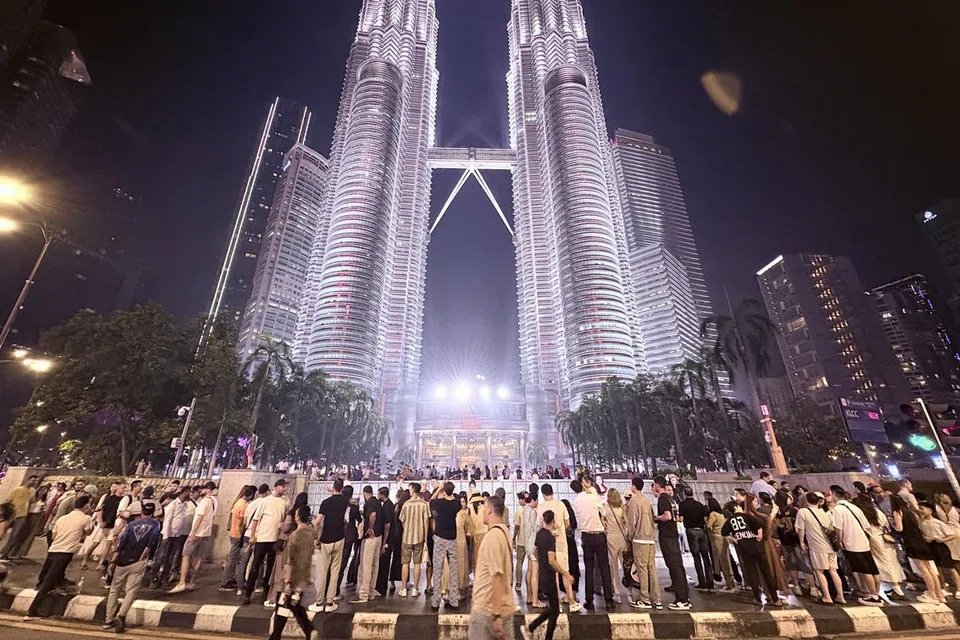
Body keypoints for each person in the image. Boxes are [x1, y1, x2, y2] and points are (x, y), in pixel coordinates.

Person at [25, 495, 94, 620]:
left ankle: (48, 599)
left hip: (53, 550)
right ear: (86, 506)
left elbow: (54, 534)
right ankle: (32, 611)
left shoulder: (62, 518)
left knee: (46, 579)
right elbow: (88, 532)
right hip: (65, 553)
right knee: (48, 582)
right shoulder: (86, 518)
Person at [103, 503, 161, 633]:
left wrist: (112, 562)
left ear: (141, 513)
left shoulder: (131, 525)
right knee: (131, 591)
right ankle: (121, 615)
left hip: (122, 560)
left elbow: (121, 543)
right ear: (153, 513)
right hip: (138, 561)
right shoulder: (155, 525)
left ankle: (108, 620)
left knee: (114, 590)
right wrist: (144, 558)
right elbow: (151, 544)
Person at [521, 510, 573, 640]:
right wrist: (566, 574)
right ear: (554, 521)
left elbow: (534, 551)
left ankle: (533, 629)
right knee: (554, 610)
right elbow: (552, 560)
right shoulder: (550, 537)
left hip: (543, 575)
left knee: (553, 610)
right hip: (549, 576)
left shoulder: (539, 534)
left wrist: (540, 563)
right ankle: (532, 628)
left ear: (544, 520)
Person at [469, 496, 514, 640]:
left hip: (487, 611)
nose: (482, 511)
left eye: (484, 507)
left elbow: (497, 576)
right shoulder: (504, 533)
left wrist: (496, 615)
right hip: (503, 607)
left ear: (489, 509)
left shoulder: (492, 537)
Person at [721, 500, 781, 607]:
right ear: (736, 507)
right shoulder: (746, 516)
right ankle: (775, 598)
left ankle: (757, 598)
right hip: (757, 546)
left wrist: (735, 539)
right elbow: (760, 524)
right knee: (766, 572)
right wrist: (759, 535)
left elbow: (724, 533)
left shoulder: (730, 520)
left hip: (744, 548)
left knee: (752, 573)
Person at [269, 505, 315, 640]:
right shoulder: (311, 533)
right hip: (303, 577)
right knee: (288, 606)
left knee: (286, 605)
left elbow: (289, 560)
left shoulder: (294, 535)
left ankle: (309, 630)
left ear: (298, 517)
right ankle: (277, 636)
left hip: (292, 578)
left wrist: (287, 582)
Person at [830, 486, 882, 606]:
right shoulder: (854, 507)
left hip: (852, 543)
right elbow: (866, 525)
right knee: (873, 569)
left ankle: (873, 596)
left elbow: (839, 528)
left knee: (865, 570)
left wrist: (840, 540)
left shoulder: (838, 509)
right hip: (863, 541)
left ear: (833, 494)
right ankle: (876, 593)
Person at [852, 492, 905, 599]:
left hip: (874, 540)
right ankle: (896, 587)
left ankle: (893, 588)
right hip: (885, 538)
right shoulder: (877, 512)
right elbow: (886, 524)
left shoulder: (863, 514)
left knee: (881, 563)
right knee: (892, 562)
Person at [241, 479, 288, 604]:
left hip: (276, 540)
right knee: (256, 566)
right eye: (283, 487)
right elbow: (256, 519)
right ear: (276, 487)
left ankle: (267, 593)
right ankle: (247, 593)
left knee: (271, 569)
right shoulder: (265, 501)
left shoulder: (285, 502)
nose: (285, 489)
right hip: (263, 538)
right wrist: (253, 535)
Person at [796, 492, 845, 605]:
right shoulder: (823, 512)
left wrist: (802, 542)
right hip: (830, 546)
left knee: (819, 571)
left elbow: (800, 529)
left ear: (807, 501)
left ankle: (827, 596)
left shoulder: (803, 512)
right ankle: (840, 596)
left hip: (817, 546)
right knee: (833, 571)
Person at [573, 475, 614, 610]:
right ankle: (609, 600)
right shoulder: (594, 496)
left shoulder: (577, 500)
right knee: (604, 568)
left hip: (586, 536)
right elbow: (602, 512)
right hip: (599, 535)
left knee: (588, 569)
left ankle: (589, 601)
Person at [169, 481, 218, 594]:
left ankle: (181, 583)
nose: (201, 491)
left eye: (203, 489)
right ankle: (192, 582)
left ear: (208, 489)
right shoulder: (214, 501)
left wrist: (192, 533)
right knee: (198, 558)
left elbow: (199, 518)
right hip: (206, 533)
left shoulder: (204, 502)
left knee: (185, 556)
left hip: (197, 533)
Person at [309, 478, 349, 613]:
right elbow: (339, 496)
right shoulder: (345, 501)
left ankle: (319, 601)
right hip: (339, 538)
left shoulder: (325, 503)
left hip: (326, 539)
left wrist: (315, 537)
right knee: (335, 571)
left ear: (333, 487)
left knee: (322, 571)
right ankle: (331, 601)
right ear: (342, 488)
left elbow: (318, 521)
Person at [537, 483, 579, 610]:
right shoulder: (560, 504)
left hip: (548, 543)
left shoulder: (541, 506)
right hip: (561, 542)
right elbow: (567, 522)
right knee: (565, 570)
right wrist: (560, 531)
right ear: (552, 492)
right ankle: (571, 601)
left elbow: (539, 525)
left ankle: (558, 604)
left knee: (553, 573)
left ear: (543, 494)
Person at [653, 476, 690, 610]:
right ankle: (684, 595)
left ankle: (682, 600)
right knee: (677, 565)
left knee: (674, 565)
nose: (652, 488)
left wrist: (656, 518)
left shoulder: (663, 498)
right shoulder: (671, 498)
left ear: (658, 485)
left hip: (668, 536)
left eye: (653, 485)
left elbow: (667, 516)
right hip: (673, 534)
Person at [625, 477, 660, 609]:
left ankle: (645, 598)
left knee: (642, 570)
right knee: (652, 569)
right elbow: (652, 519)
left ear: (634, 487)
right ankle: (657, 599)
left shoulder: (634, 502)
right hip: (650, 539)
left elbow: (632, 523)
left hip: (640, 539)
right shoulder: (647, 501)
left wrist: (630, 537)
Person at [149, 486, 191, 588]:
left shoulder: (185, 504)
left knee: (170, 556)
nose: (190, 494)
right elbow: (167, 520)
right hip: (168, 534)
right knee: (161, 556)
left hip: (177, 534)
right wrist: (166, 535)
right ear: (184, 493)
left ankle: (164, 577)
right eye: (188, 492)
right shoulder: (173, 504)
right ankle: (154, 578)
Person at [918, 501, 960, 598]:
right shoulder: (921, 522)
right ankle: (943, 588)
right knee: (937, 569)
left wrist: (941, 539)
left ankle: (958, 589)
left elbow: (952, 535)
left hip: (941, 546)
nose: (920, 511)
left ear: (930, 511)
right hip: (930, 546)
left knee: (951, 568)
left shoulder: (938, 523)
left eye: (922, 509)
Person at [429, 481, 461, 610]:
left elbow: (431, 500)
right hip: (452, 538)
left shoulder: (439, 503)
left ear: (443, 491)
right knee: (453, 571)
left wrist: (439, 489)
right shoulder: (456, 504)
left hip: (440, 537)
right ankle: (454, 601)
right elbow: (456, 500)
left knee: (438, 569)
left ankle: (435, 602)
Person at [220, 485, 256, 592]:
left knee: (233, 558)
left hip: (233, 533)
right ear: (251, 495)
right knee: (232, 559)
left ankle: (230, 579)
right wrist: (242, 534)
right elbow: (242, 522)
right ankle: (226, 582)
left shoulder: (238, 502)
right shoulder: (243, 505)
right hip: (237, 534)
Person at [351, 486, 383, 604]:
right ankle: (371, 590)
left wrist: (370, 528)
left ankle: (363, 593)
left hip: (370, 538)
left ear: (365, 493)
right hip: (378, 537)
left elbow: (372, 515)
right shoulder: (377, 502)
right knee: (374, 565)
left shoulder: (369, 503)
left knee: (365, 565)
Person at [677, 486, 712, 591]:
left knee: (696, 557)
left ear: (684, 493)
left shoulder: (683, 505)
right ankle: (710, 582)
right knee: (706, 557)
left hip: (691, 531)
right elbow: (706, 519)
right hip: (702, 531)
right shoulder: (699, 505)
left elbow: (681, 519)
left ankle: (702, 581)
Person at [398, 482, 430, 598]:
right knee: (417, 563)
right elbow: (426, 521)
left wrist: (406, 528)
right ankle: (415, 589)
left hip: (407, 537)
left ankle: (403, 589)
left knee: (405, 563)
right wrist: (425, 536)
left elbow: (402, 520)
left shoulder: (406, 504)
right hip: (419, 537)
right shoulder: (423, 504)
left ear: (413, 490)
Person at [1, 475, 38, 559]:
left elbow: (32, 502)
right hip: (11, 514)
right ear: (27, 480)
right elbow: (8, 500)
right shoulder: (18, 489)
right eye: (32, 480)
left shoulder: (33, 491)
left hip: (22, 515)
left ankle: (5, 553)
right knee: (2, 532)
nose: (33, 482)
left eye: (35, 481)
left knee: (15, 535)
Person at [603, 488, 629, 603]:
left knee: (613, 567)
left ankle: (617, 593)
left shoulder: (605, 508)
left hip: (611, 538)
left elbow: (603, 522)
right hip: (622, 538)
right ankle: (629, 590)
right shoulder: (622, 508)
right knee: (625, 565)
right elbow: (626, 523)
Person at [705, 502, 735, 591]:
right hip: (724, 538)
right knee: (727, 560)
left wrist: (706, 521)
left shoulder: (713, 514)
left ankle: (729, 586)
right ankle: (731, 583)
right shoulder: (721, 514)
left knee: (722, 561)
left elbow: (708, 525)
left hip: (717, 538)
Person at [375, 486, 395, 597]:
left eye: (379, 494)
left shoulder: (387, 507)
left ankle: (381, 588)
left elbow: (387, 525)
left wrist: (384, 542)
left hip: (388, 540)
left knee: (384, 563)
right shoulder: (389, 505)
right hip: (389, 539)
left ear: (383, 494)